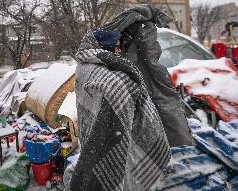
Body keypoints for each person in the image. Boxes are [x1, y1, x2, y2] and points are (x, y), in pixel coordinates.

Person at [72, 5, 192, 191]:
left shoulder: (86, 65)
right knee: (122, 163)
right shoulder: (116, 79)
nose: (119, 51)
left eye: (121, 47)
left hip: (108, 136)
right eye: (117, 47)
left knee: (120, 159)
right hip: (123, 139)